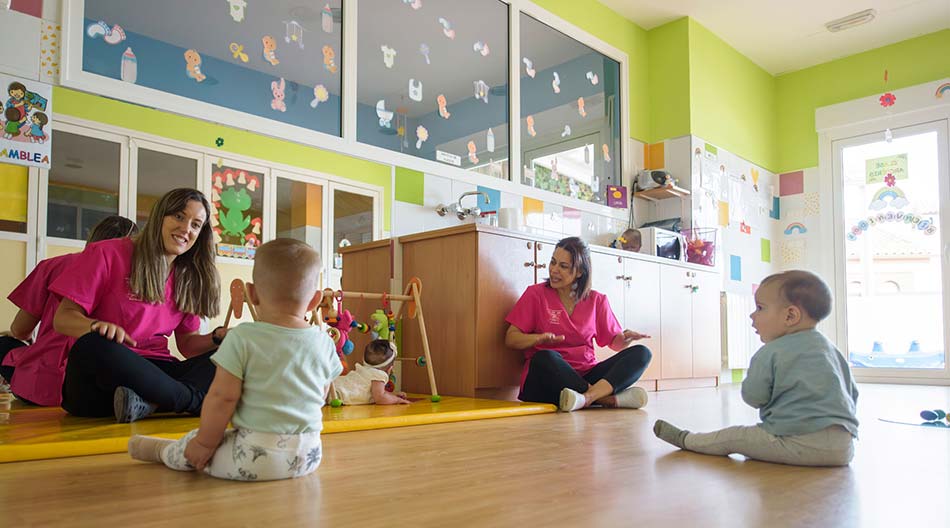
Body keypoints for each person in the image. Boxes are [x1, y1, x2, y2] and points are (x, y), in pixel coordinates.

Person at [127, 238, 340, 482]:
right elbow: (320, 393)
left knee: (194, 444)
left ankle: (161, 451)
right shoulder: (323, 341)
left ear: (252, 293)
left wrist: (205, 444)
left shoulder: (242, 337)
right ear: (315, 300)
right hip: (309, 456)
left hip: (254, 457)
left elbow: (222, 398)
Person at [51, 188, 225, 422]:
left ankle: (151, 403)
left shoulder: (188, 275)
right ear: (159, 217)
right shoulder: (107, 253)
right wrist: (95, 326)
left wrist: (219, 338)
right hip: (101, 381)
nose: (186, 229)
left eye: (195, 225)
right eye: (179, 217)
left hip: (156, 371)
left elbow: (188, 345)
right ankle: (194, 402)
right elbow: (63, 318)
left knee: (236, 353)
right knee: (91, 345)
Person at [653, 270, 859, 467]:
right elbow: (852, 394)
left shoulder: (771, 351)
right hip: (843, 448)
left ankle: (688, 439)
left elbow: (754, 397)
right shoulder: (832, 350)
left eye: (760, 308)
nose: (752, 315)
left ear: (790, 316)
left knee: (735, 436)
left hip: (795, 441)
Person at [0, 216, 139, 406]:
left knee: (5, 343)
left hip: (41, 383)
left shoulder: (52, 266)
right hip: (97, 388)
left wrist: (30, 341)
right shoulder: (137, 279)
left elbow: (20, 330)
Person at [505, 236, 653, 412]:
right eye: (553, 262)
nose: (554, 270)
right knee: (544, 358)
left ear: (580, 272)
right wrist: (538, 339)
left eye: (563, 266)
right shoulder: (535, 294)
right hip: (548, 380)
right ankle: (603, 399)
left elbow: (615, 343)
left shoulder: (597, 300)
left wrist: (626, 338)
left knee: (642, 353)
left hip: (586, 373)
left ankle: (586, 397)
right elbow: (511, 339)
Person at [332, 339, 411, 405]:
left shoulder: (364, 370)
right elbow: (380, 398)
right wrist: (397, 400)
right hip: (339, 394)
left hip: (334, 385)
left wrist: (392, 395)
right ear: (390, 369)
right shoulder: (379, 375)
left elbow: (376, 391)